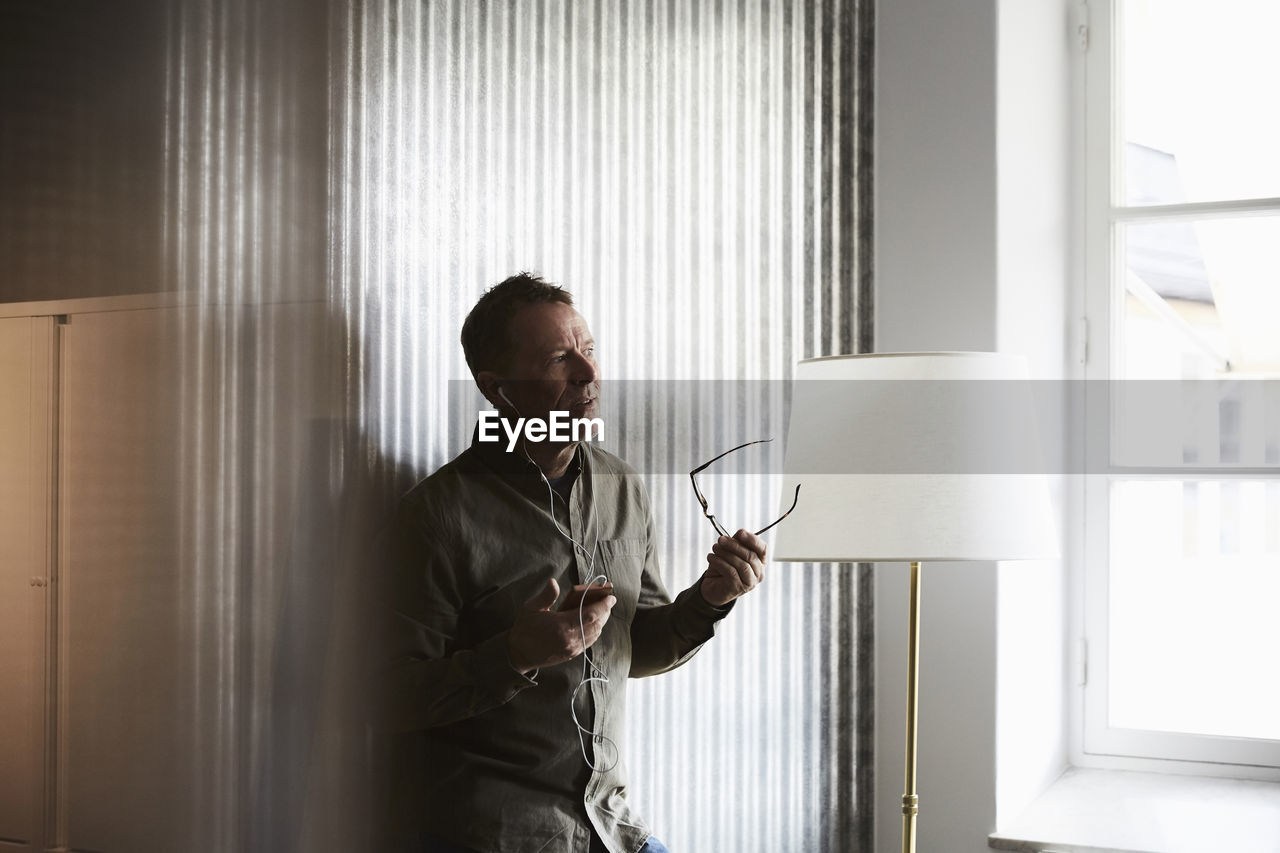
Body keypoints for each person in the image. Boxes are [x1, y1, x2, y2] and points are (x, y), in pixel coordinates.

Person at [382, 273, 768, 853]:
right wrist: (515, 655)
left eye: (587, 350)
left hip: (612, 826)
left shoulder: (624, 487)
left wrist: (709, 599)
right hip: (498, 834)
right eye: (560, 358)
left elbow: (639, 647)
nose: (589, 374)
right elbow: (390, 696)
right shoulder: (435, 516)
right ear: (497, 387)